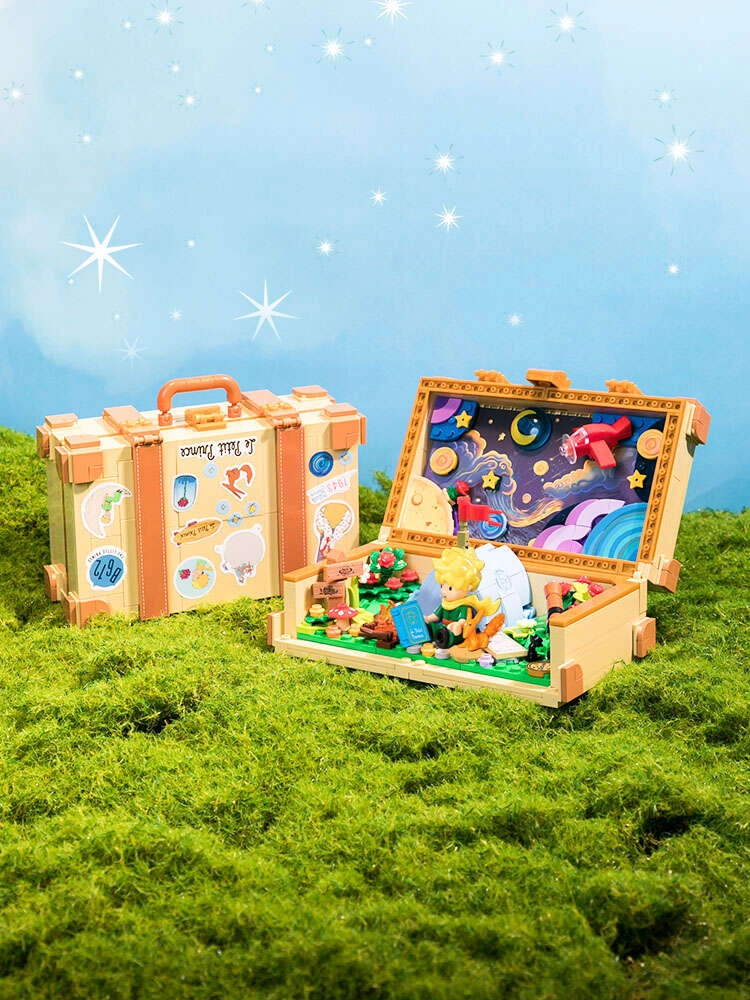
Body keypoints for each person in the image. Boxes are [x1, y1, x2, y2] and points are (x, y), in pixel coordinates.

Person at [425, 547, 500, 649]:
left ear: (467, 587)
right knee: (433, 628)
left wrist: (458, 624)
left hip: (455, 632)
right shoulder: (445, 604)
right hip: (443, 628)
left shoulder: (463, 607)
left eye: (450, 588)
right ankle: (431, 634)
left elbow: (463, 620)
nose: (443, 591)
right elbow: (436, 616)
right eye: (442, 586)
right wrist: (428, 618)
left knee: (452, 634)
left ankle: (444, 638)